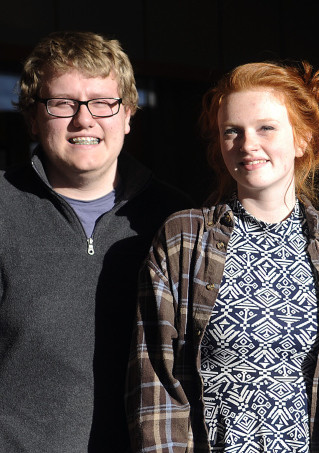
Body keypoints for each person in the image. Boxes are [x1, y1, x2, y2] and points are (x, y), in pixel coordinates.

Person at [126, 61, 319, 453]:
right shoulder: (184, 239)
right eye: (232, 131)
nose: (247, 144)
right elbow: (155, 377)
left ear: (303, 138)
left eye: (266, 128)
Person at [0, 31, 192, 452]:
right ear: (33, 117)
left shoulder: (178, 221)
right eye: (62, 103)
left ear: (128, 115)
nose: (84, 119)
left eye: (103, 102)